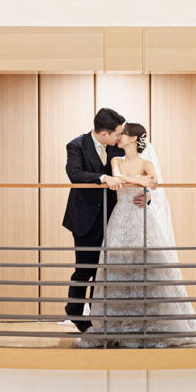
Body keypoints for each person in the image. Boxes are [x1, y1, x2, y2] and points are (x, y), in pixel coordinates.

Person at [77, 122, 196, 348]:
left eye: (123, 134)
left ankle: (149, 322)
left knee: (148, 266)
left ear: (134, 138)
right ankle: (116, 324)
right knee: (117, 267)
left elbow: (153, 186)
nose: (119, 137)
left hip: (142, 218)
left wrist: (146, 190)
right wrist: (140, 180)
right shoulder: (116, 161)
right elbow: (116, 178)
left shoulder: (147, 163)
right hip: (120, 217)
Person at [62, 108, 156, 333]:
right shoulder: (76, 145)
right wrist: (104, 178)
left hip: (114, 216)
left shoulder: (116, 146)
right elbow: (74, 174)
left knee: (103, 271)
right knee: (84, 268)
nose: (120, 137)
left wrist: (147, 195)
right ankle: (74, 312)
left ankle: (96, 317)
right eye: (117, 133)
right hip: (84, 217)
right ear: (104, 134)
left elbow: (137, 170)